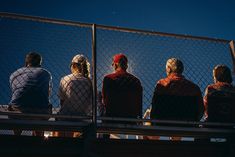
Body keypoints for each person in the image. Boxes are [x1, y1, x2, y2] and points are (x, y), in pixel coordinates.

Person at [150, 58, 204, 140]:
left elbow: (155, 106)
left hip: (163, 123)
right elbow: (201, 110)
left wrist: (154, 121)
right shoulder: (194, 87)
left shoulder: (161, 84)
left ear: (169, 69)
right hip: (188, 125)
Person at [9, 52, 52, 136]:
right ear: (40, 64)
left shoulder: (14, 74)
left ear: (26, 63)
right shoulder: (46, 74)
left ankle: (17, 137)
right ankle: (38, 137)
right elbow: (48, 93)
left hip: (18, 110)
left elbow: (15, 92)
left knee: (13, 105)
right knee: (45, 105)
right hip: (41, 111)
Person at [57, 54, 92, 137]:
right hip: (84, 117)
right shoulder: (90, 82)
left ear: (73, 65)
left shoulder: (65, 79)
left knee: (59, 117)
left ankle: (59, 145)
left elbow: (62, 102)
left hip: (66, 115)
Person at [102, 53, 143, 122]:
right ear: (126, 66)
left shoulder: (108, 78)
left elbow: (104, 100)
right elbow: (139, 102)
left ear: (115, 65)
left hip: (111, 117)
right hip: (131, 119)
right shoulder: (136, 80)